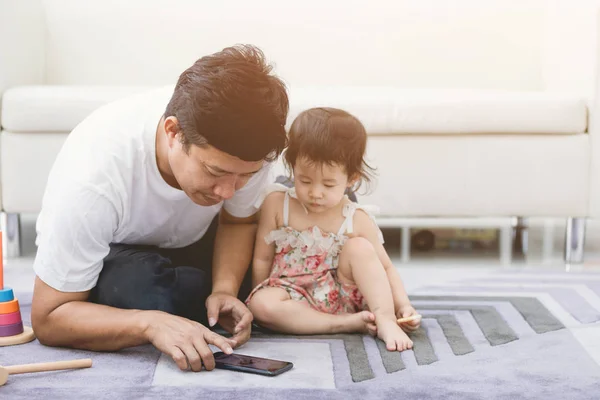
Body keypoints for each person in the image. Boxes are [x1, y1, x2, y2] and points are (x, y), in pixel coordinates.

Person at [30, 44, 289, 371]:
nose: (228, 191)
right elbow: (48, 317)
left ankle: (197, 295)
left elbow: (238, 222)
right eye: (215, 172)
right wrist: (148, 324)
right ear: (173, 132)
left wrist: (225, 289)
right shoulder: (93, 178)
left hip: (199, 239)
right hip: (124, 251)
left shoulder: (250, 147)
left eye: (245, 176)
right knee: (145, 291)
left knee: (282, 264)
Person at [246, 107, 421, 351]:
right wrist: (259, 296)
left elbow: (385, 267)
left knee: (360, 247)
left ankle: (385, 319)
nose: (315, 193)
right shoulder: (277, 204)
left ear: (351, 179)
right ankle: (344, 324)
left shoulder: (355, 217)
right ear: (292, 166)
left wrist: (403, 305)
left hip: (343, 294)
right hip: (293, 297)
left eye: (329, 184)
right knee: (261, 304)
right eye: (304, 180)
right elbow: (262, 258)